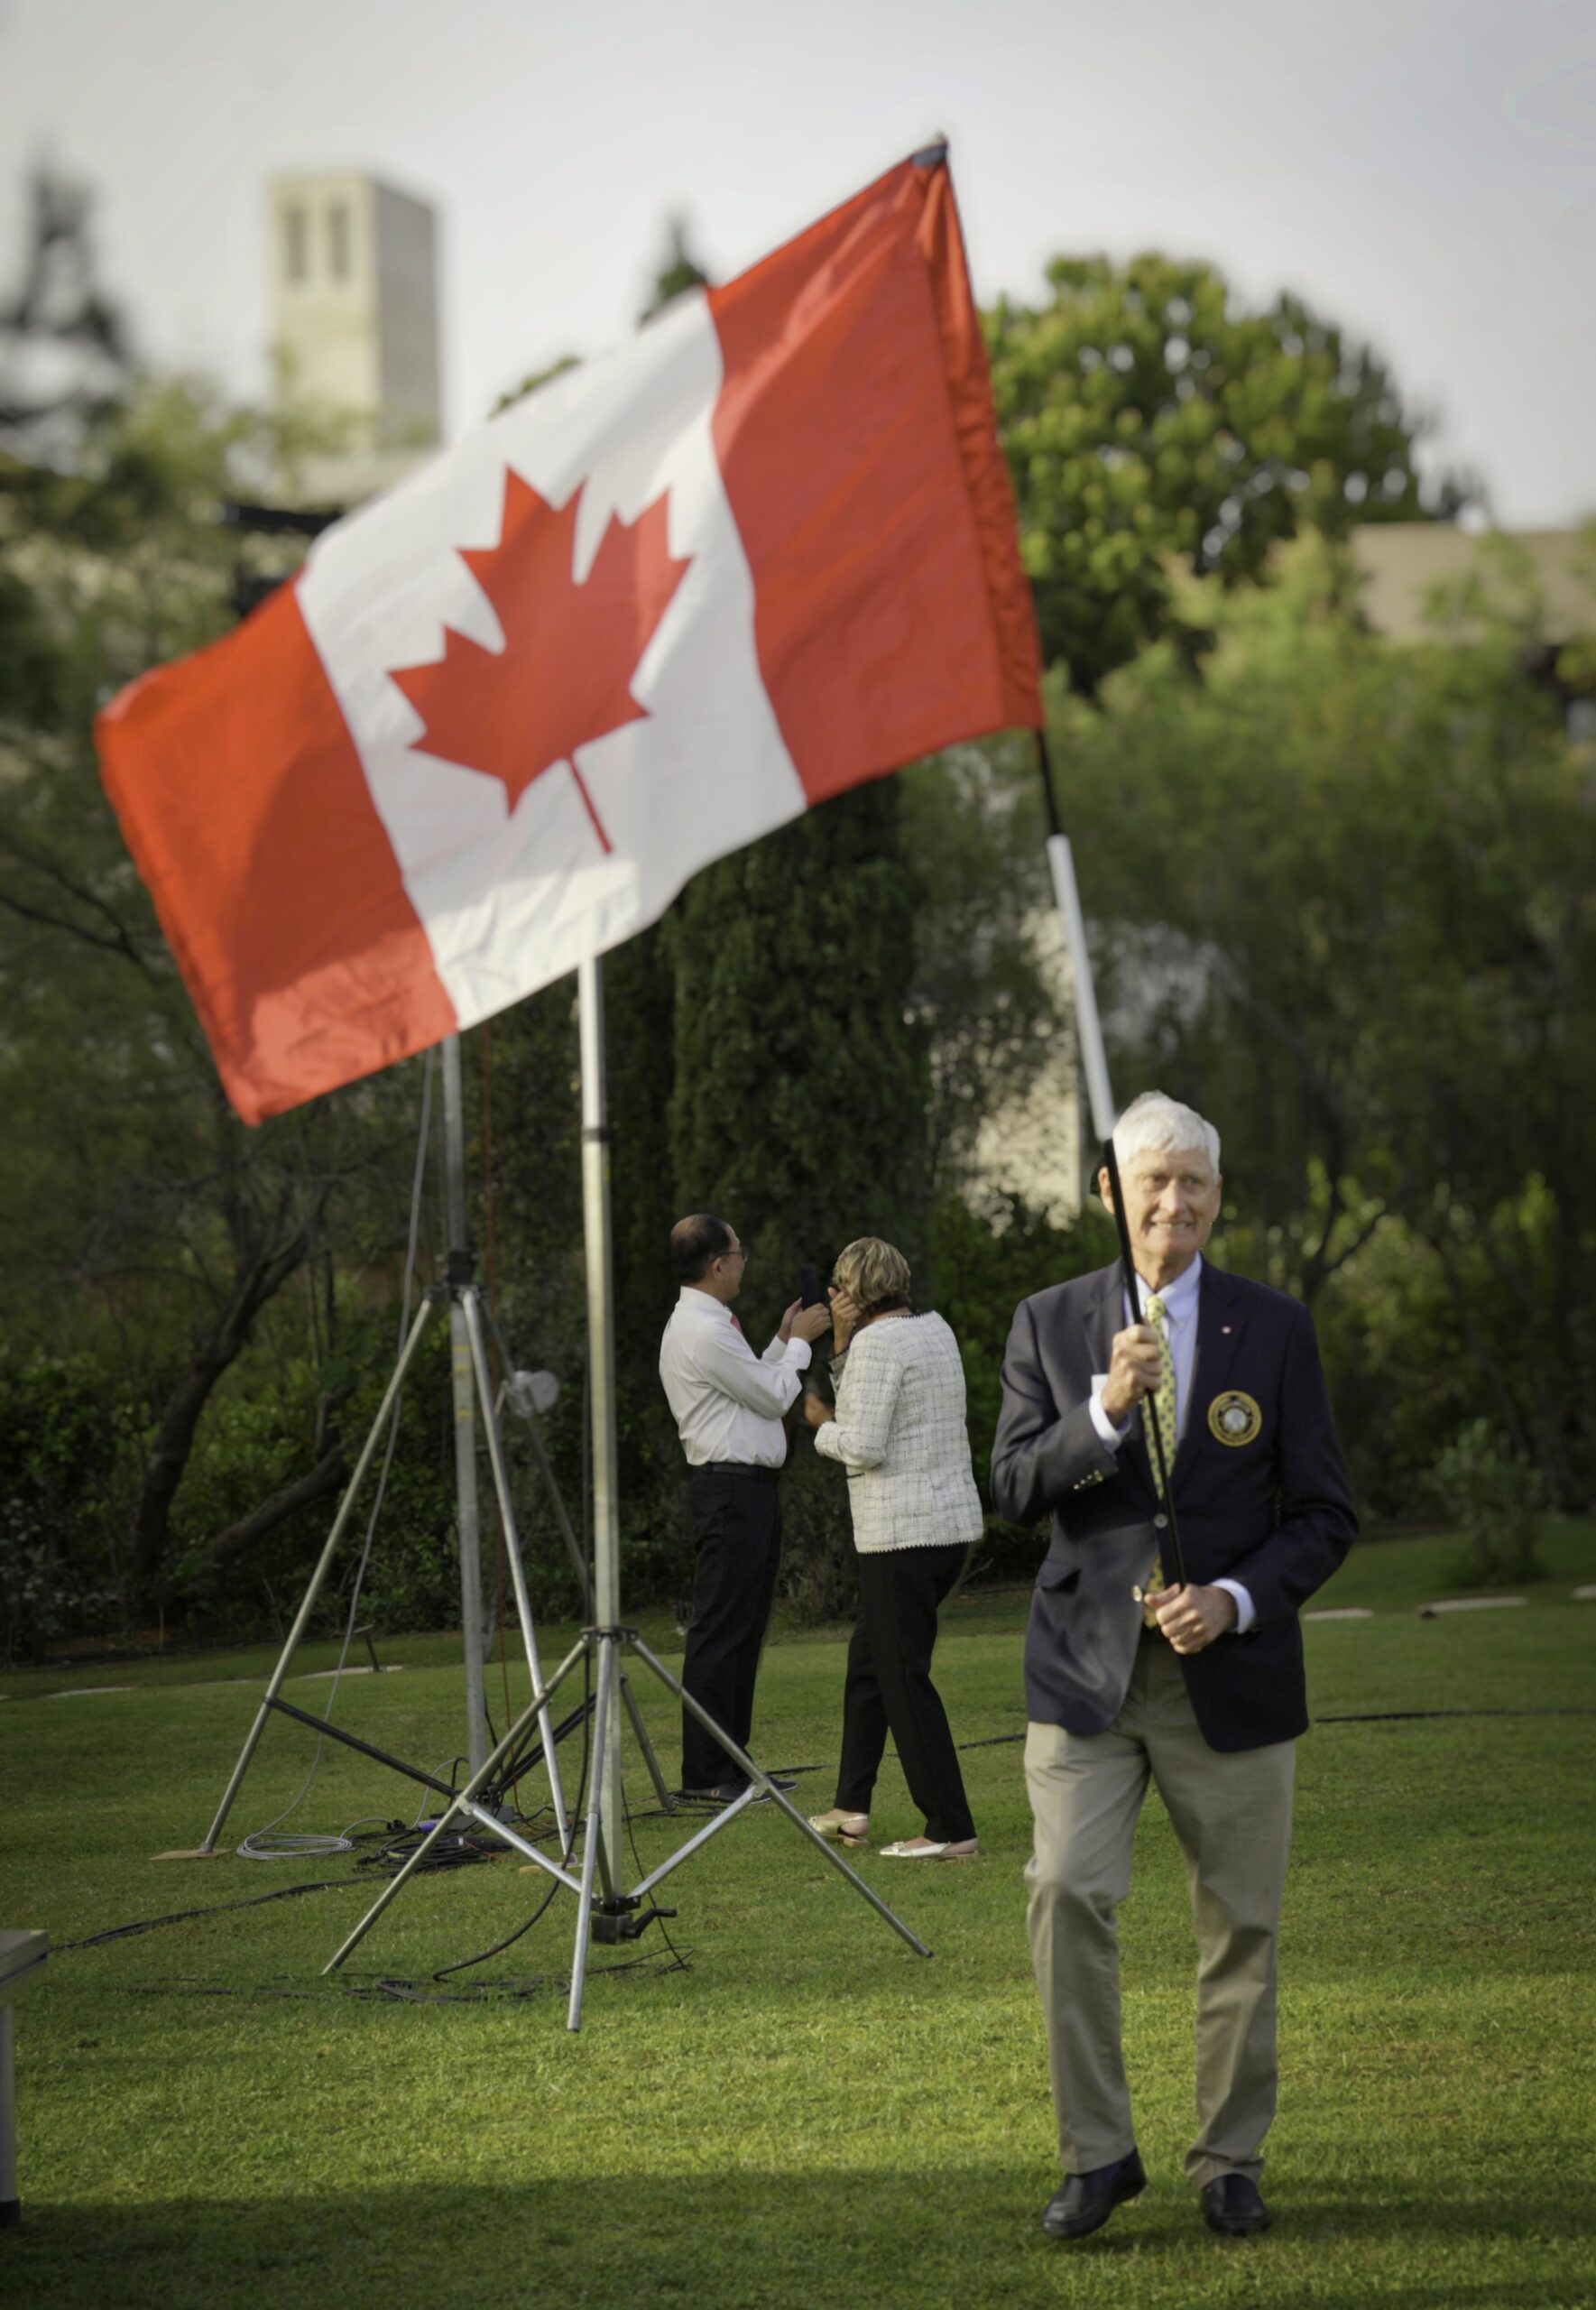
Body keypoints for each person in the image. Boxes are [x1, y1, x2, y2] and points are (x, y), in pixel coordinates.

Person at [991, 1092, 1356, 2243]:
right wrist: (1102, 1410)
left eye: (1193, 1180)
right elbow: (1011, 1488)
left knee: (1239, 1924)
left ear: (1216, 1195)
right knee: (1064, 1890)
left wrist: (1234, 1598)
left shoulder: (1275, 1327)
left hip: (1230, 1679)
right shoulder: (1049, 1322)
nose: (1173, 1201)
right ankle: (1095, 2154)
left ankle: (1228, 2159)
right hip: (1085, 1678)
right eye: (1152, 1179)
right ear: (1110, 1190)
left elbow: (1323, 1513)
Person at [802, 1237, 983, 1860]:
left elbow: (863, 1443)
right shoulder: (934, 1329)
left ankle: (950, 1827)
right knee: (869, 1666)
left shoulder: (879, 1344)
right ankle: (851, 1805)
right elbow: (871, 1398)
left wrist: (820, 1427)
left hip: (900, 1535)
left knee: (903, 1679)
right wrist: (841, 1345)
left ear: (853, 1290)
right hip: (947, 1529)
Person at [660, 1213, 831, 1802]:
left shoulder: (710, 1325)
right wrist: (801, 1344)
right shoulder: (703, 1330)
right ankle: (708, 1773)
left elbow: (752, 1386)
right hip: (730, 1491)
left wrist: (781, 1341)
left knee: (742, 1629)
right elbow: (775, 1394)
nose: (743, 1261)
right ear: (717, 1265)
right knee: (722, 1631)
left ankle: (730, 1765)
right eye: (738, 1252)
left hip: (744, 1490)